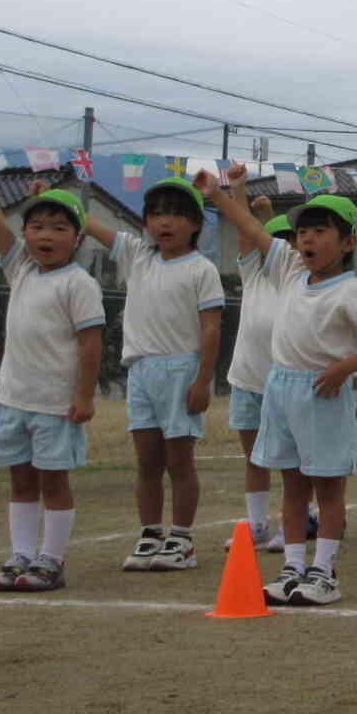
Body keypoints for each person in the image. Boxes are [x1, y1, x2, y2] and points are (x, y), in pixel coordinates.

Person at [211, 170, 357, 607]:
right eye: (302, 232)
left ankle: (324, 572)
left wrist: (345, 369)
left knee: (327, 489)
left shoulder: (354, 291)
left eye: (320, 231)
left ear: (349, 242)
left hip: (323, 394)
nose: (308, 240)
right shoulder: (291, 270)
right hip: (281, 390)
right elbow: (249, 228)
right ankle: (293, 569)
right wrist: (219, 196)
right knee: (293, 486)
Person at [0, 153, 104, 593]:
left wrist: (85, 396)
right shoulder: (20, 269)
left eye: (60, 228)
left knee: (53, 480)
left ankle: (50, 561)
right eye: (37, 227)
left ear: (77, 239)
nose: (47, 236)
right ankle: (20, 555)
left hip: (56, 404)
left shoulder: (79, 283)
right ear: (25, 235)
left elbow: (91, 341)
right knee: (20, 478)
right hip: (14, 399)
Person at [79, 173, 223, 573]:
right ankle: (150, 534)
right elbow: (90, 224)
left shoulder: (201, 269)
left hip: (181, 369)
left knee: (180, 460)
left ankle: (182, 538)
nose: (165, 223)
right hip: (140, 370)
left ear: (196, 224)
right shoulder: (137, 255)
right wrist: (59, 199)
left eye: (176, 214)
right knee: (146, 461)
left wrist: (202, 381)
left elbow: (211, 327)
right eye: (156, 214)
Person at [225, 202, 296, 552]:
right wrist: (239, 193)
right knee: (253, 457)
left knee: (288, 460)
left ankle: (291, 526)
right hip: (246, 381)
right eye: (275, 238)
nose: (278, 247)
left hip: (284, 383)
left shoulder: (298, 280)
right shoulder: (252, 272)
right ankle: (257, 525)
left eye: (288, 241)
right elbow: (247, 229)